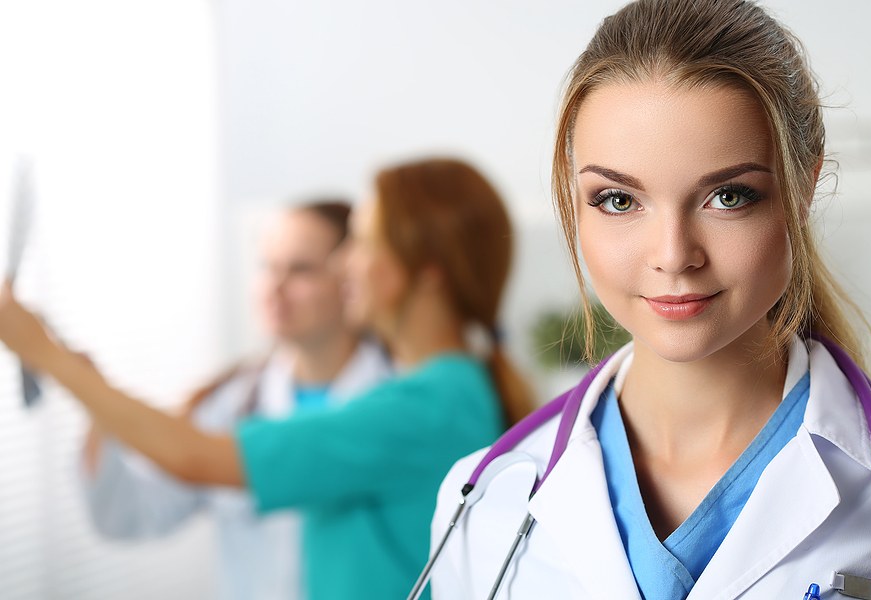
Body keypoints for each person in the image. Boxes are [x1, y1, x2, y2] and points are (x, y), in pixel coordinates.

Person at [429, 1, 871, 598]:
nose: (673, 255)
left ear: (803, 187)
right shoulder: (483, 500)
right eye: (619, 201)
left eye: (729, 196)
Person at [0, 157, 532, 600]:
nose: (345, 264)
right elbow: (148, 492)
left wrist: (47, 356)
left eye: (364, 243)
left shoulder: (423, 406)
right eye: (267, 265)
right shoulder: (440, 392)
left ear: (427, 271)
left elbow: (195, 455)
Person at [79, 201, 392, 600]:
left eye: (301, 270)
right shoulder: (231, 403)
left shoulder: (396, 399)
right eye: (267, 266)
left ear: (351, 275)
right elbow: (128, 514)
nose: (275, 287)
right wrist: (94, 407)